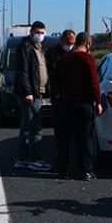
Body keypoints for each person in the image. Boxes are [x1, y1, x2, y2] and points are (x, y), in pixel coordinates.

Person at [55, 32, 102, 180]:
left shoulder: (64, 59)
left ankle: (63, 170)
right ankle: (87, 171)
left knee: (66, 138)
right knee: (85, 138)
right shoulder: (88, 59)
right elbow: (94, 82)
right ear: (88, 44)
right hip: (84, 104)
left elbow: (56, 80)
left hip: (67, 103)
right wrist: (98, 102)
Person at [13, 21, 51, 171]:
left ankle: (22, 159)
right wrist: (28, 92)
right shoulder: (26, 47)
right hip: (30, 94)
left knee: (27, 127)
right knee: (35, 127)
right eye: (37, 32)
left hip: (37, 92)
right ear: (31, 32)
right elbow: (23, 71)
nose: (40, 35)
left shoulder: (37, 47)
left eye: (42, 33)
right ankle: (34, 159)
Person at [45, 29, 76, 178]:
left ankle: (69, 158)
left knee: (72, 129)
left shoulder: (76, 53)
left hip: (73, 96)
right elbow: (49, 73)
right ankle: (61, 158)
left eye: (73, 43)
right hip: (58, 95)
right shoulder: (52, 53)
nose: (70, 46)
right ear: (62, 41)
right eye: (68, 43)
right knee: (60, 128)